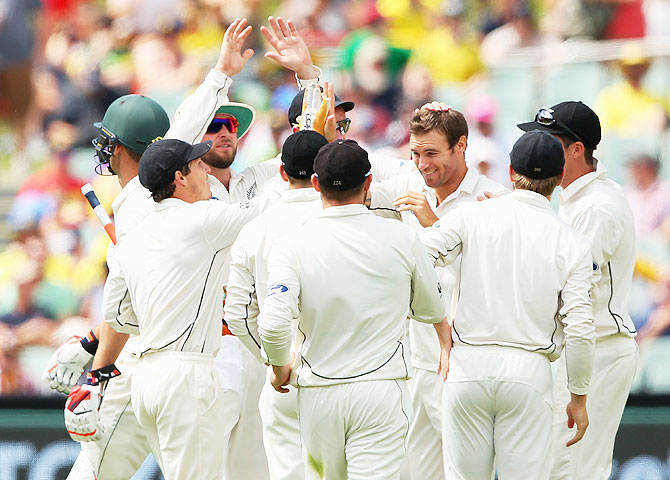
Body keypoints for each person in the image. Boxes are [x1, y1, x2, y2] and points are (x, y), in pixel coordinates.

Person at [46, 18, 261, 480]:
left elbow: (125, 315)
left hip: (175, 366)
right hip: (164, 366)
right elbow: (127, 312)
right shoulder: (171, 206)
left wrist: (93, 363)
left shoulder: (157, 204)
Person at [258, 139, 449, 480]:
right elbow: (431, 308)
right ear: (368, 184)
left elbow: (273, 323)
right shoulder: (401, 237)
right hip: (382, 390)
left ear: (316, 184)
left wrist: (279, 367)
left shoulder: (291, 245)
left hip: (319, 393)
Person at [419, 129, 596, 479]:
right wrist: (578, 396)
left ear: (511, 170)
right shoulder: (571, 242)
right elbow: (579, 330)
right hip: (527, 373)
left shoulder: (472, 215)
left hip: (467, 367)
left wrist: (439, 324)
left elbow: (416, 257)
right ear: (561, 177)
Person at [100, 137, 277, 480]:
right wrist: (295, 168)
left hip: (146, 378)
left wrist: (162, 317)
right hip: (186, 374)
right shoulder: (203, 219)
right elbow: (263, 210)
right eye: (198, 166)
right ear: (179, 178)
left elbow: (117, 315)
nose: (207, 170)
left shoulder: (132, 239)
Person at [367, 103, 508, 479]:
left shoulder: (493, 199)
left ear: (461, 146)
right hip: (415, 364)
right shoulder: (408, 186)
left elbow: (495, 277)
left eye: (431, 153)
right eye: (415, 153)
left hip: (464, 364)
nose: (422, 164)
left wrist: (434, 224)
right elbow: (351, 187)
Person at [518, 101, 638, 479]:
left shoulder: (594, 207)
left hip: (597, 349)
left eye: (550, 141)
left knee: (569, 470)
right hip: (587, 349)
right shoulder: (578, 197)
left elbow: (569, 288)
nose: (540, 150)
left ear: (576, 149)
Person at [224, 129, 328, 480]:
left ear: (282, 174)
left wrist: (273, 360)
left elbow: (237, 314)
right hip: (345, 373)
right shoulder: (346, 221)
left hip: (286, 374)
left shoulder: (255, 228)